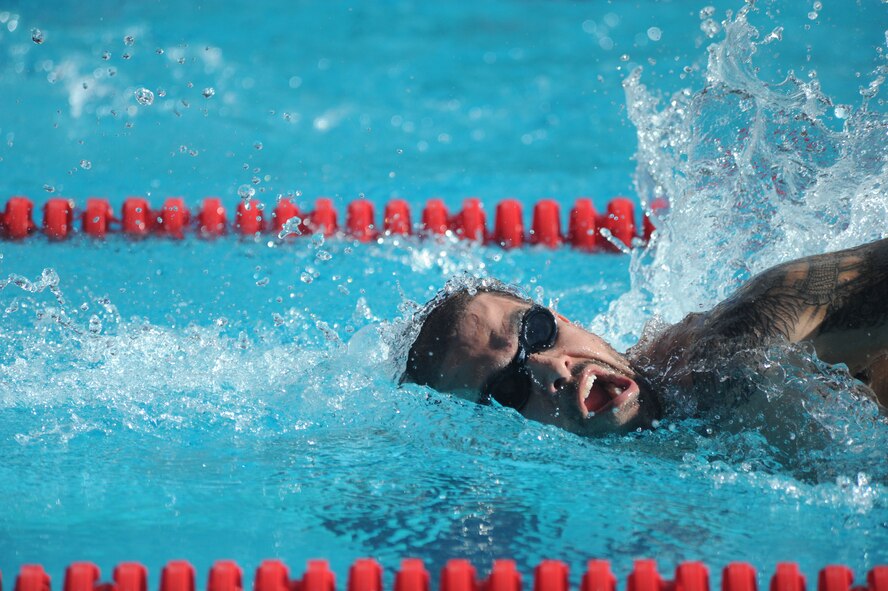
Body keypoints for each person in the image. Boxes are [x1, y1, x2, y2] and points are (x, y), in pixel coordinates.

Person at [400, 238, 888, 436]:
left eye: (536, 331)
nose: (550, 368)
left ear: (562, 316)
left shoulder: (738, 353)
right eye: (507, 392)